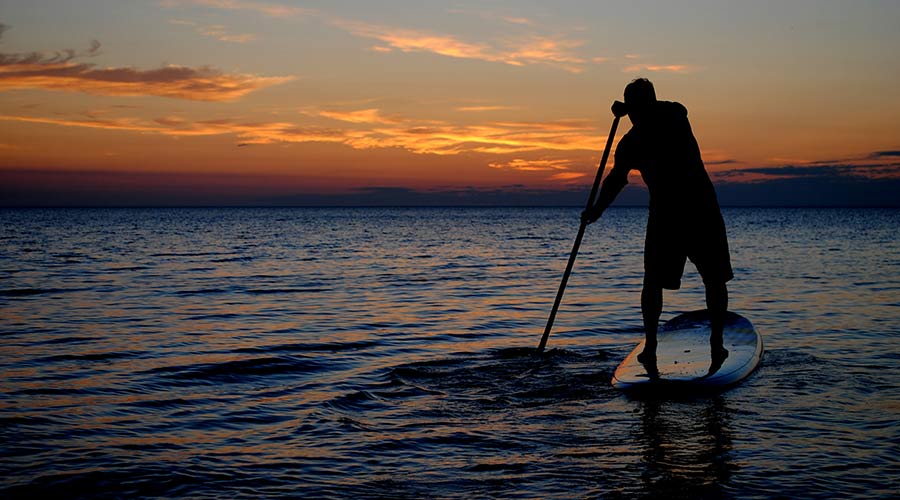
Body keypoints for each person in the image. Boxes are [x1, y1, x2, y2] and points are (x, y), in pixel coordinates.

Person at [582, 78, 733, 367]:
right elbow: (616, 179)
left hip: (700, 209)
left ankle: (717, 343)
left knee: (714, 278)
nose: (637, 116)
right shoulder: (630, 143)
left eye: (639, 108)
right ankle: (650, 345)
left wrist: (628, 107)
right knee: (652, 281)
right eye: (634, 111)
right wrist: (597, 209)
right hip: (664, 216)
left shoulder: (674, 116)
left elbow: (676, 108)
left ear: (649, 103)